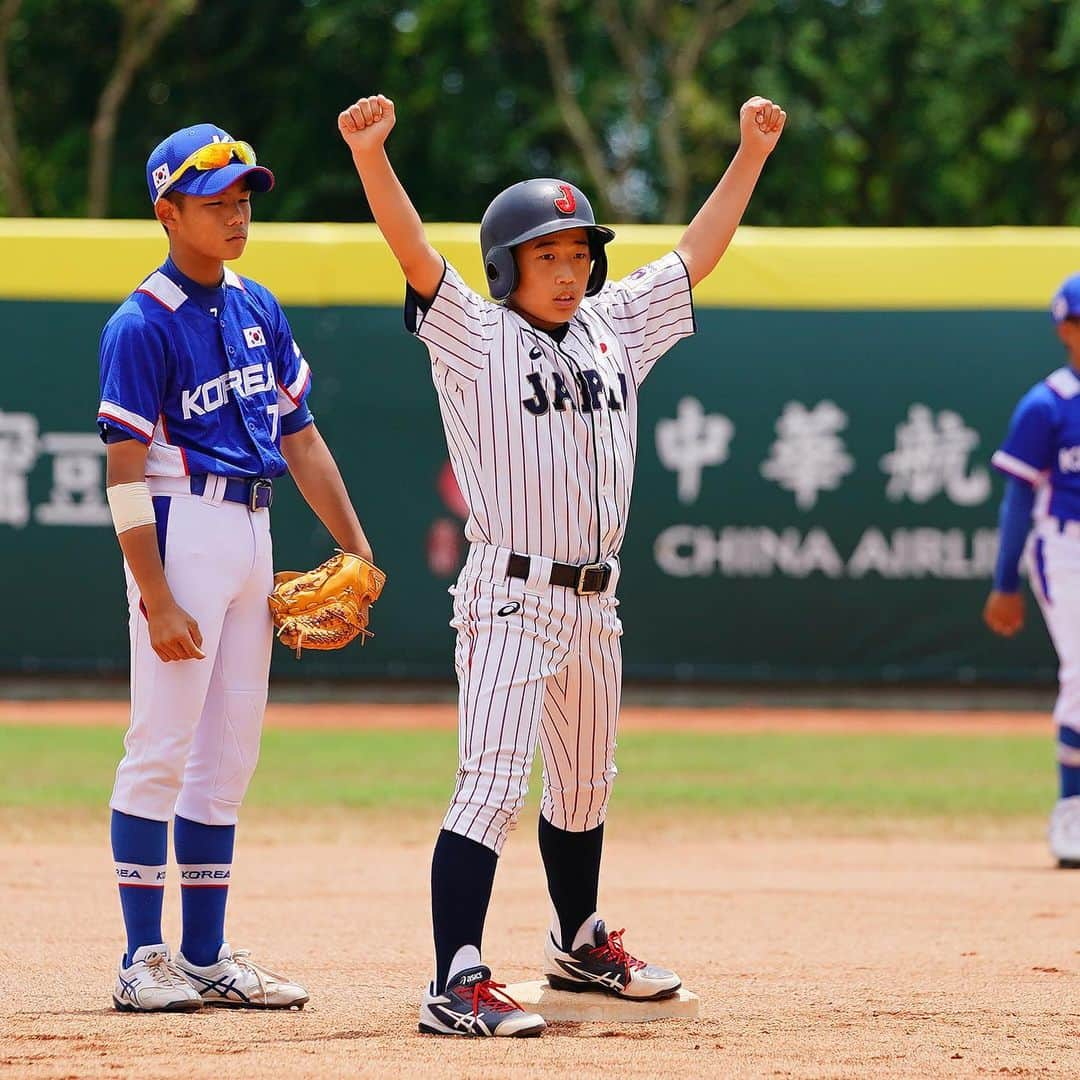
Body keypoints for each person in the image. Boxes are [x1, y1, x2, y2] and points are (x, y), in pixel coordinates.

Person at [339, 90, 784, 1038]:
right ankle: (453, 977)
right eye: (549, 252)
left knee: (584, 781)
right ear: (508, 265)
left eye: (580, 251)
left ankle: (577, 942)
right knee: (494, 780)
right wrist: (372, 157)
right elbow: (415, 254)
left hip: (595, 599)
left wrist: (748, 154)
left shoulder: (614, 325)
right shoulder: (474, 333)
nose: (571, 267)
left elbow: (694, 256)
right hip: (510, 592)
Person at [100, 123, 373, 1012]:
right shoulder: (140, 323)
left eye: (243, 199)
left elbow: (301, 437)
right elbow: (124, 479)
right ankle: (143, 958)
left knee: (229, 757)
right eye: (214, 202)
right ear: (166, 211)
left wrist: (356, 545)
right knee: (160, 747)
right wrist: (156, 594)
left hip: (253, 531)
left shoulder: (257, 303)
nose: (235, 214)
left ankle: (207, 956)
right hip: (182, 528)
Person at [985, 272, 1080, 868]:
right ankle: (1072, 813)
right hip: (1066, 551)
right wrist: (1004, 582)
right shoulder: (1046, 404)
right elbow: (1018, 499)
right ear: (1067, 328)